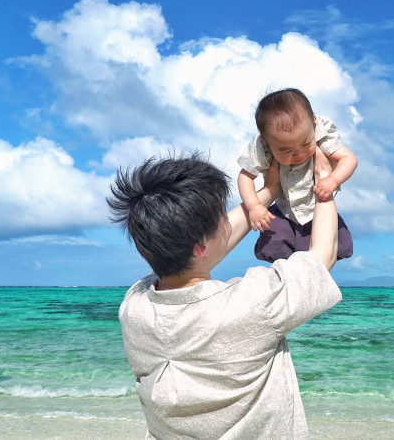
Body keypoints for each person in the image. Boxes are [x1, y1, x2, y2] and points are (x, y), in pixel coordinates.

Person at [107, 149, 342, 439]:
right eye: (222, 216)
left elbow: (198, 253)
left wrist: (268, 191)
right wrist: (324, 183)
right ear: (201, 246)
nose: (227, 221)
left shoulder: (134, 305)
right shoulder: (254, 302)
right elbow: (322, 257)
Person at [237, 88, 357, 262]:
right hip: (284, 208)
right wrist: (254, 206)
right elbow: (245, 177)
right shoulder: (260, 146)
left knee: (326, 250)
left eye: (306, 143)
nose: (299, 154)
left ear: (313, 124)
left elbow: (349, 159)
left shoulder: (322, 131)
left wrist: (333, 179)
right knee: (276, 246)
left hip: (316, 205)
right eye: (286, 151)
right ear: (267, 143)